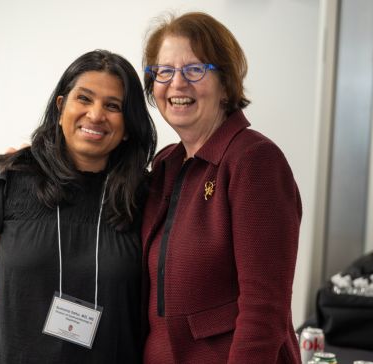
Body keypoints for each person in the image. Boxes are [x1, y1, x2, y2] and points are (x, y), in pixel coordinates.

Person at [0, 50, 157, 364]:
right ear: (62, 107)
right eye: (84, 99)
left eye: (113, 106)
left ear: (128, 125)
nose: (95, 115)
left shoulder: (147, 198)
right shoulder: (0, 184)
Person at [140, 12, 302, 363]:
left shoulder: (254, 160)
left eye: (195, 70)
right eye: (164, 71)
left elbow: (264, 310)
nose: (177, 84)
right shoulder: (165, 165)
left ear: (226, 84)